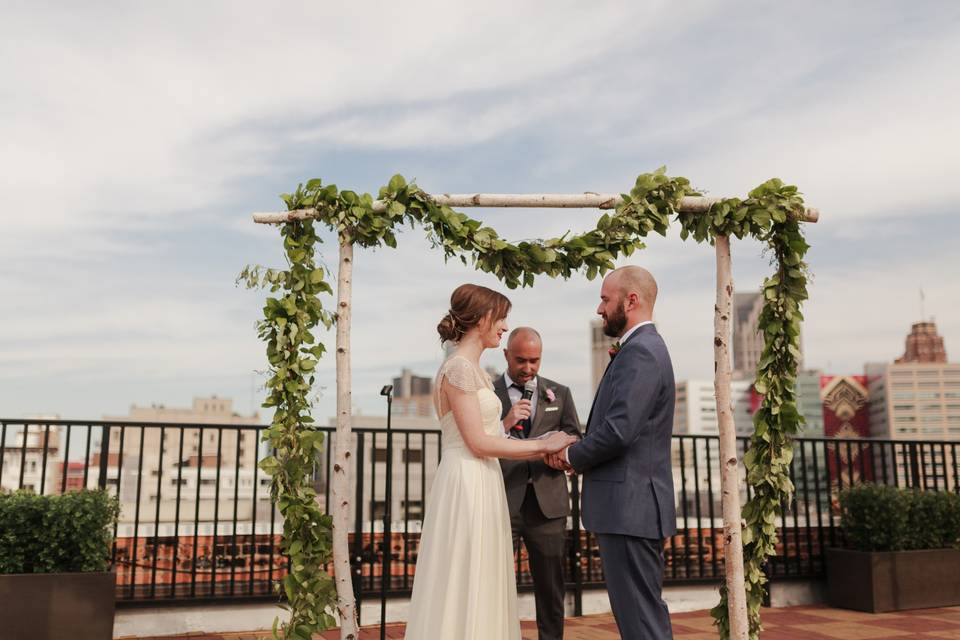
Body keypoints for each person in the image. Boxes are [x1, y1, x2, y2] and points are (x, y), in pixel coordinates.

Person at [405, 284, 578, 640]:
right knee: (467, 575)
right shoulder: (458, 369)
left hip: (483, 477)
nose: (503, 326)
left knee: (483, 576)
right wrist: (544, 443)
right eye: (500, 319)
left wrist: (513, 429)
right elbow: (479, 443)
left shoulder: (474, 370)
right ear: (482, 319)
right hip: (468, 480)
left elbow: (482, 433)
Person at [546, 265, 677, 639]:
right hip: (629, 508)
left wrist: (570, 456)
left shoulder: (643, 352)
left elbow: (619, 431)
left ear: (631, 300)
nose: (599, 308)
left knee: (641, 620)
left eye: (605, 299)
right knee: (638, 615)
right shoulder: (640, 349)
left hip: (630, 508)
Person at [494, 327, 581, 640]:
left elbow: (575, 435)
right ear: (506, 355)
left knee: (550, 585)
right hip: (503, 500)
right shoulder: (488, 395)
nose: (528, 368)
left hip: (549, 503)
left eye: (534, 361)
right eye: (521, 360)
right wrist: (504, 420)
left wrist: (565, 452)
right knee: (496, 581)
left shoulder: (560, 392)